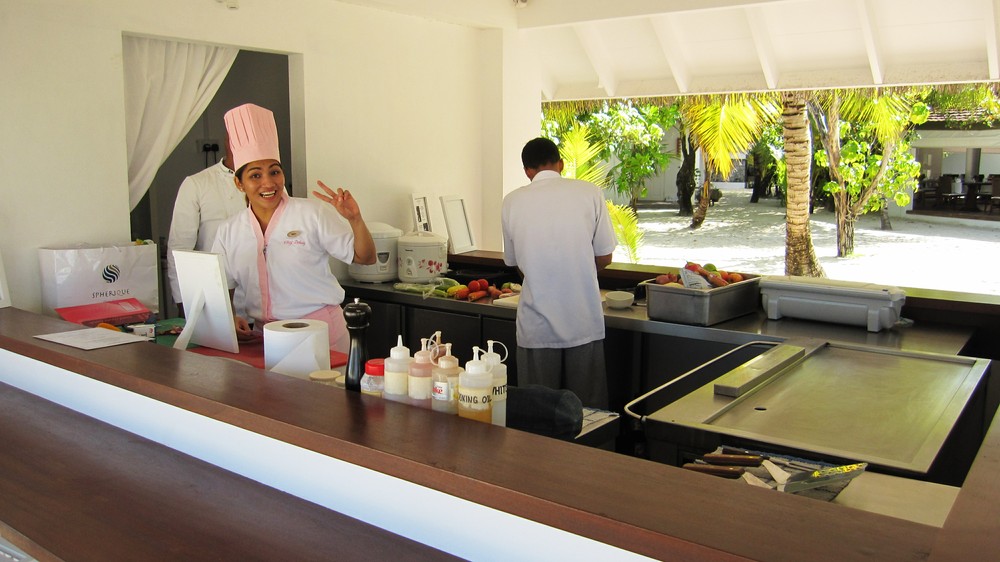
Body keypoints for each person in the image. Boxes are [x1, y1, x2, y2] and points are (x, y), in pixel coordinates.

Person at [211, 103, 376, 353]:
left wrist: (355, 219)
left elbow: (365, 257)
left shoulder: (312, 213)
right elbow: (222, 287)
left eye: (274, 172)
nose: (268, 182)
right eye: (255, 175)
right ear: (239, 183)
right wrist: (229, 316)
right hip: (263, 338)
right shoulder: (229, 231)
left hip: (321, 333)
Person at [500, 137, 617, 409]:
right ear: (561, 164)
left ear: (528, 171)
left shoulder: (512, 201)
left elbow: (515, 262)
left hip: (536, 327)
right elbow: (604, 256)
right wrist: (577, 269)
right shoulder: (590, 193)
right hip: (583, 321)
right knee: (589, 415)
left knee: (539, 417)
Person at [166, 135, 246, 317]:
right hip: (215, 298)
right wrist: (182, 300)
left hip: (264, 300)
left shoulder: (270, 186)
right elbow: (179, 248)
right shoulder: (197, 184)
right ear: (228, 142)